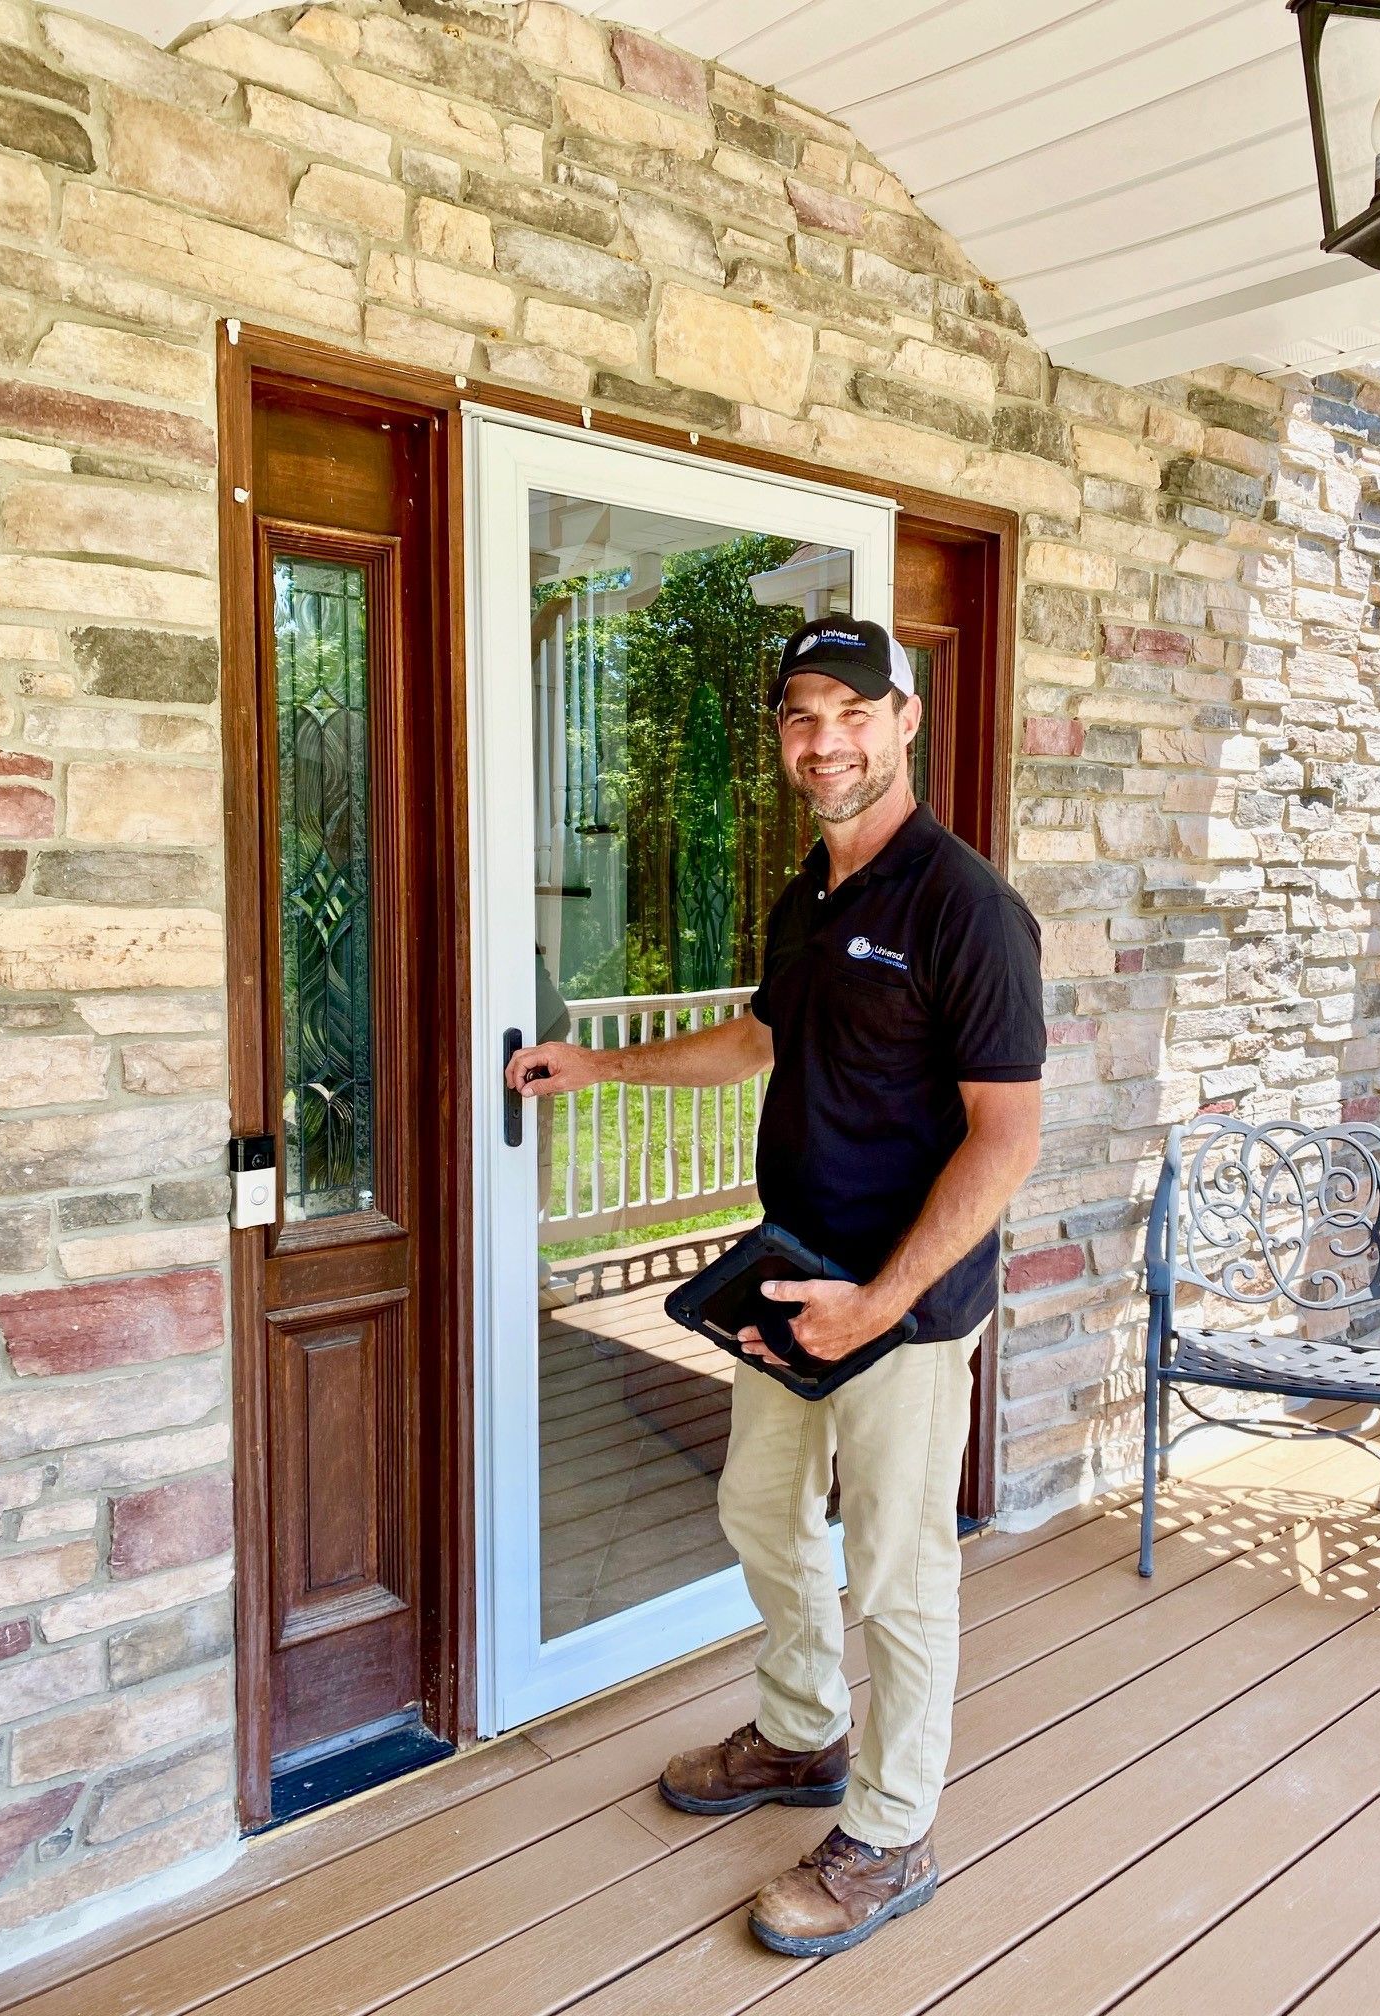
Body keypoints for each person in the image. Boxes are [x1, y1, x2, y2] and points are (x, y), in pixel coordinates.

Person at [505, 613, 1044, 1959]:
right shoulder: (812, 894)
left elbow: (1006, 1136)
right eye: (802, 716)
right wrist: (602, 1067)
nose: (826, 739)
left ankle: (894, 1826)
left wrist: (883, 1300)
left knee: (902, 1573)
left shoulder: (964, 905)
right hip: (792, 1276)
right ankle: (806, 1730)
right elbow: (759, 1038)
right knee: (759, 1509)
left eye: (852, 711)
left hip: (903, 1310)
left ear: (903, 720)